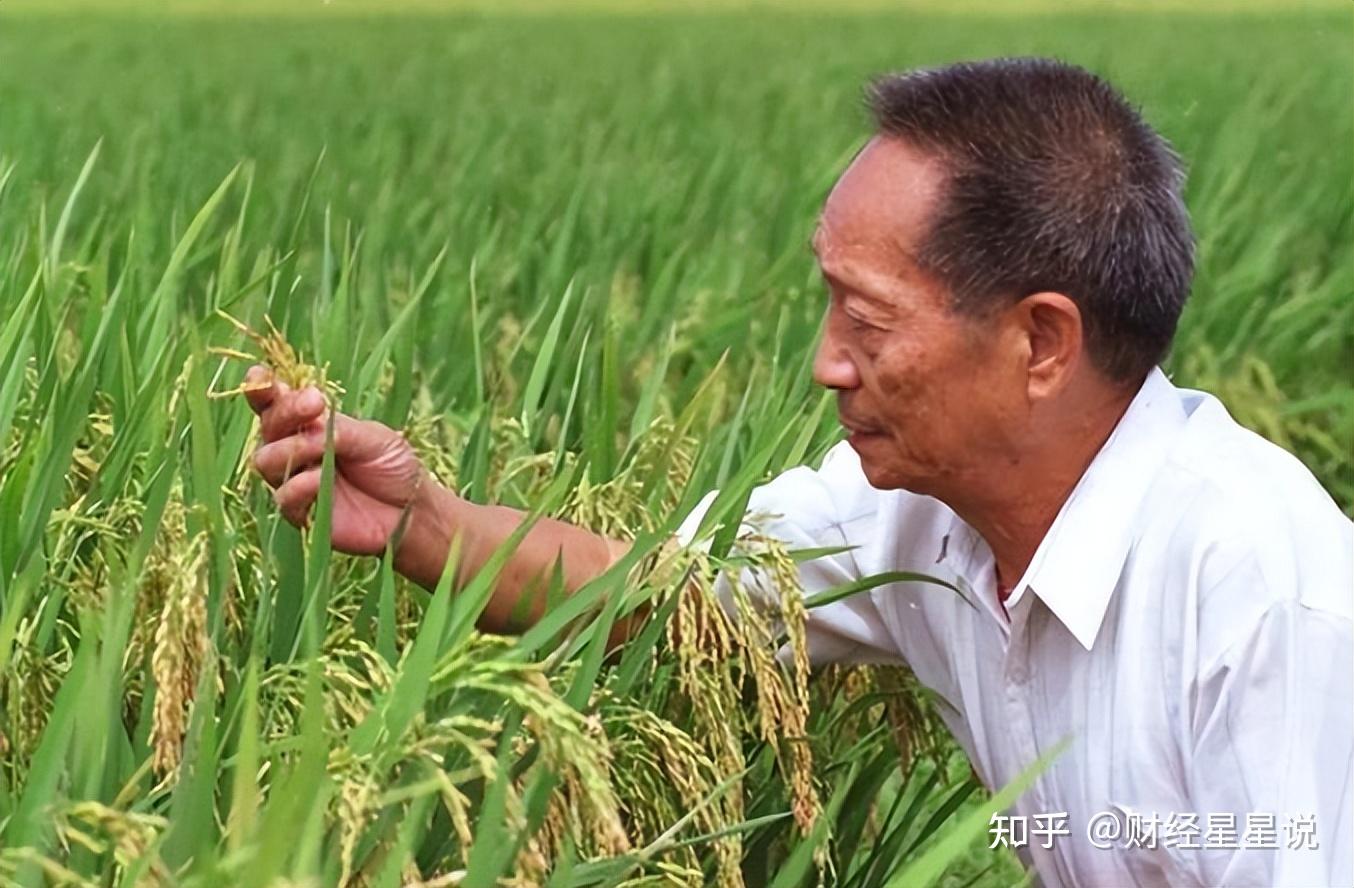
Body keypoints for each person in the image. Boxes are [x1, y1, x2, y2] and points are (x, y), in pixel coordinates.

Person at [244, 58, 1353, 888]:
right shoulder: (917, 526)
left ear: (1041, 344)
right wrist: (425, 522)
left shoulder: (1261, 596)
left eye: (867, 320)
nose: (827, 363)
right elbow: (666, 600)